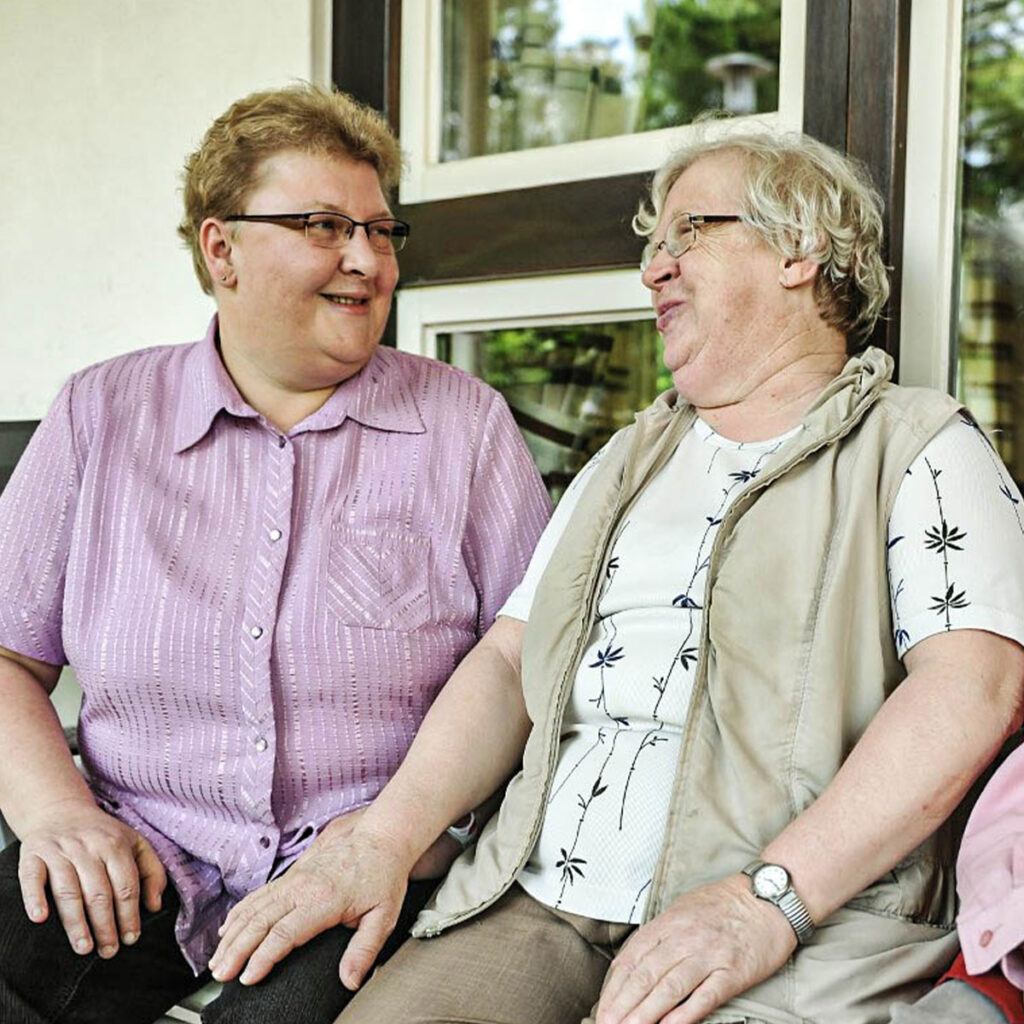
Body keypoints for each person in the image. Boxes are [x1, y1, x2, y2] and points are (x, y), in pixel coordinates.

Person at [207, 127, 1024, 1024]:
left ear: (800, 249)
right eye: (652, 247)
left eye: (686, 235)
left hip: (790, 932)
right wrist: (387, 841)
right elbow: (510, 664)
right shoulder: (623, 463)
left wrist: (771, 900)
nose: (653, 271)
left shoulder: (920, 447)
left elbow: (974, 689)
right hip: (533, 902)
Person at [0, 83, 550, 1024]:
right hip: (145, 837)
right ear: (222, 249)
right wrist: (56, 813)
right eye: (324, 225)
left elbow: (536, 667)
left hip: (368, 852)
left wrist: (398, 831)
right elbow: (8, 652)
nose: (366, 260)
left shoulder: (465, 425)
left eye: (382, 232)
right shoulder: (100, 414)